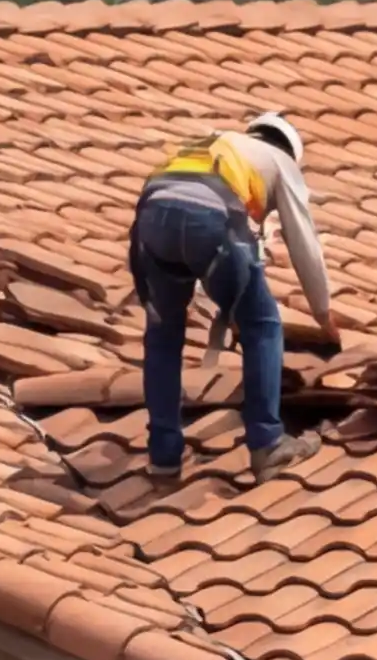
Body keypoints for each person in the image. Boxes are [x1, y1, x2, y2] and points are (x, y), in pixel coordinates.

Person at [132, 111, 338, 478]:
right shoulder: (281, 162)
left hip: (151, 217)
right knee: (263, 324)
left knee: (163, 336)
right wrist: (323, 314)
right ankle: (267, 443)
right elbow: (302, 241)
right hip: (208, 216)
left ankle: (163, 456)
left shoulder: (215, 144)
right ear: (289, 150)